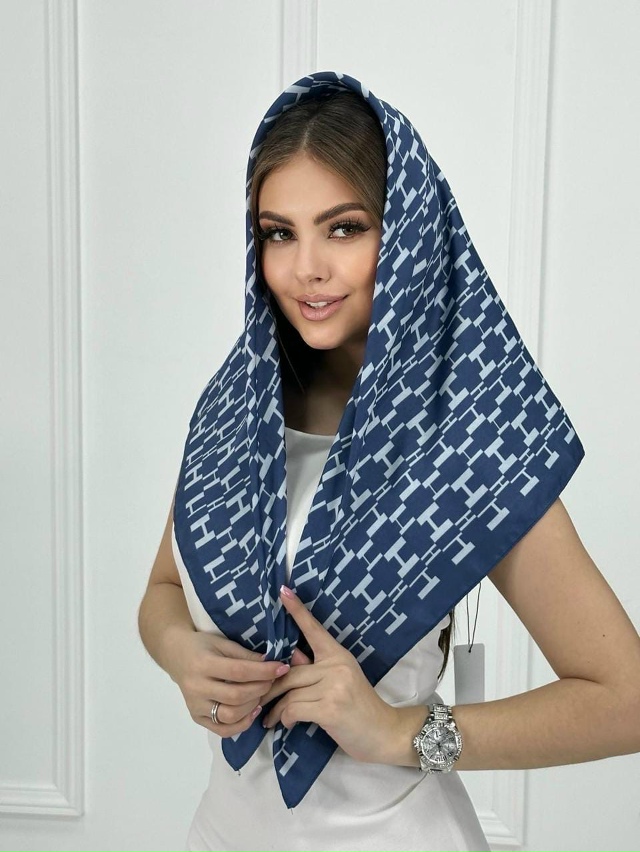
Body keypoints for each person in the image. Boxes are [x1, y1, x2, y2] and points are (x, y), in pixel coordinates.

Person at [138, 72, 640, 852]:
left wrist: (401, 732)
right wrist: (181, 653)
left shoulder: (469, 438)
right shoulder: (235, 408)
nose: (306, 267)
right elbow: (165, 593)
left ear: (406, 235)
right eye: (278, 233)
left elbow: (625, 700)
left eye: (343, 228)